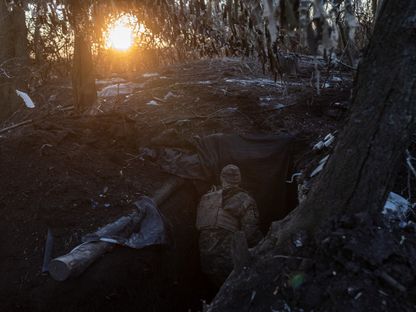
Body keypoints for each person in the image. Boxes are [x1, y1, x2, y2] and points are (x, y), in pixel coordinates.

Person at [196, 164, 262, 286]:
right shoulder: (245, 199)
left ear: (221, 178)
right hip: (227, 256)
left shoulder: (206, 198)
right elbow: (250, 232)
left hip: (204, 255)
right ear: (239, 179)